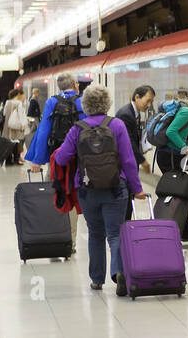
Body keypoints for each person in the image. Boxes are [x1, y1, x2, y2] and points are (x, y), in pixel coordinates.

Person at [51, 84, 147, 295]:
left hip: (87, 189)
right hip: (116, 188)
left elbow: (61, 158)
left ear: (85, 105)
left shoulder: (77, 128)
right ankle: (119, 273)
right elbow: (129, 160)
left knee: (95, 234)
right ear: (107, 103)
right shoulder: (118, 125)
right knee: (115, 234)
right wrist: (137, 189)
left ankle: (96, 280)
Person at [26, 73, 85, 253]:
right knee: (73, 198)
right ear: (75, 85)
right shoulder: (81, 101)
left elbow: (43, 131)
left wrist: (37, 160)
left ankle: (54, 234)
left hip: (56, 159)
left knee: (55, 194)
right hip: (76, 159)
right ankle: (71, 241)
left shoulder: (52, 102)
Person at [154, 84, 188, 242]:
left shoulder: (182, 107)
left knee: (176, 194)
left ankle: (184, 230)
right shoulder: (186, 111)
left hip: (166, 155)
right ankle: (179, 230)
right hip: (170, 156)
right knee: (177, 194)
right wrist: (185, 148)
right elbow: (171, 131)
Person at [116, 85, 155, 220]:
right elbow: (129, 142)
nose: (149, 105)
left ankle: (125, 230)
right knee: (125, 202)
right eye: (148, 101)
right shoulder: (126, 115)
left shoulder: (133, 113)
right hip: (124, 166)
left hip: (127, 165)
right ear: (137, 96)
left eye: (151, 102)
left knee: (128, 201)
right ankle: (123, 233)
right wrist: (142, 161)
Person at [1, 88, 26, 165]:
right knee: (16, 143)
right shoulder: (18, 103)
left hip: (7, 126)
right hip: (15, 126)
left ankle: (8, 160)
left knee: (8, 142)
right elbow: (21, 115)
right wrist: (23, 125)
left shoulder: (7, 102)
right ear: (17, 95)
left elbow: (4, 113)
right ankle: (16, 159)